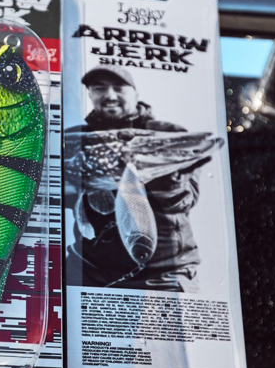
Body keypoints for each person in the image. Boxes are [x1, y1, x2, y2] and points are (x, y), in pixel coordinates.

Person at [65, 66, 205, 291]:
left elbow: (185, 201)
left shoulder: (170, 132)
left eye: (119, 88)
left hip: (163, 271)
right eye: (99, 88)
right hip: (89, 268)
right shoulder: (74, 137)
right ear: (90, 94)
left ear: (135, 94)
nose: (110, 95)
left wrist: (168, 180)